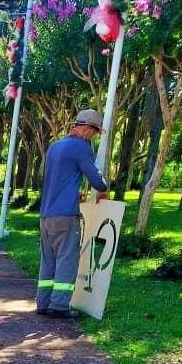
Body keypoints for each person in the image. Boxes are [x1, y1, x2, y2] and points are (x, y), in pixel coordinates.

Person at [37, 109, 109, 319]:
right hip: (66, 215)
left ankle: (43, 302)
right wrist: (103, 188)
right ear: (88, 129)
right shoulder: (81, 147)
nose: (94, 138)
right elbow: (95, 179)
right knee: (67, 259)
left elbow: (58, 179)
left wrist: (72, 193)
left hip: (46, 214)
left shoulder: (54, 147)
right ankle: (59, 306)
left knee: (48, 260)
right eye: (95, 134)